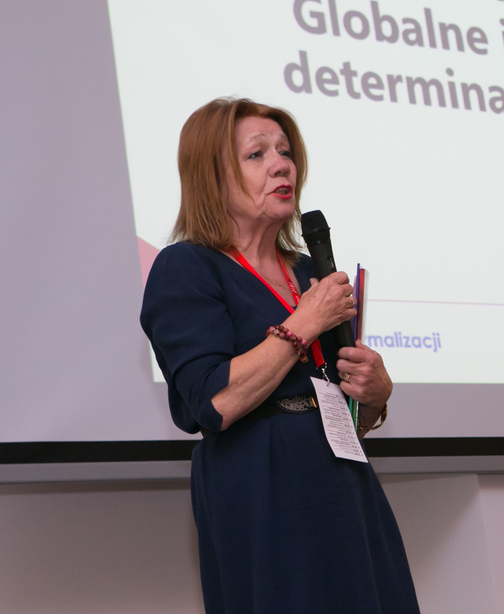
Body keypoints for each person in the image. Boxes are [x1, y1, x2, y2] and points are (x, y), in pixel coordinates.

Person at [140, 97, 419, 614]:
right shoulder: (186, 267)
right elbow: (215, 401)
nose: (281, 165)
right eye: (257, 154)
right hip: (258, 484)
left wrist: (375, 396)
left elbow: (343, 406)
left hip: (344, 480)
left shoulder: (311, 271)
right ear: (212, 176)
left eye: (285, 152)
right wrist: (303, 323)